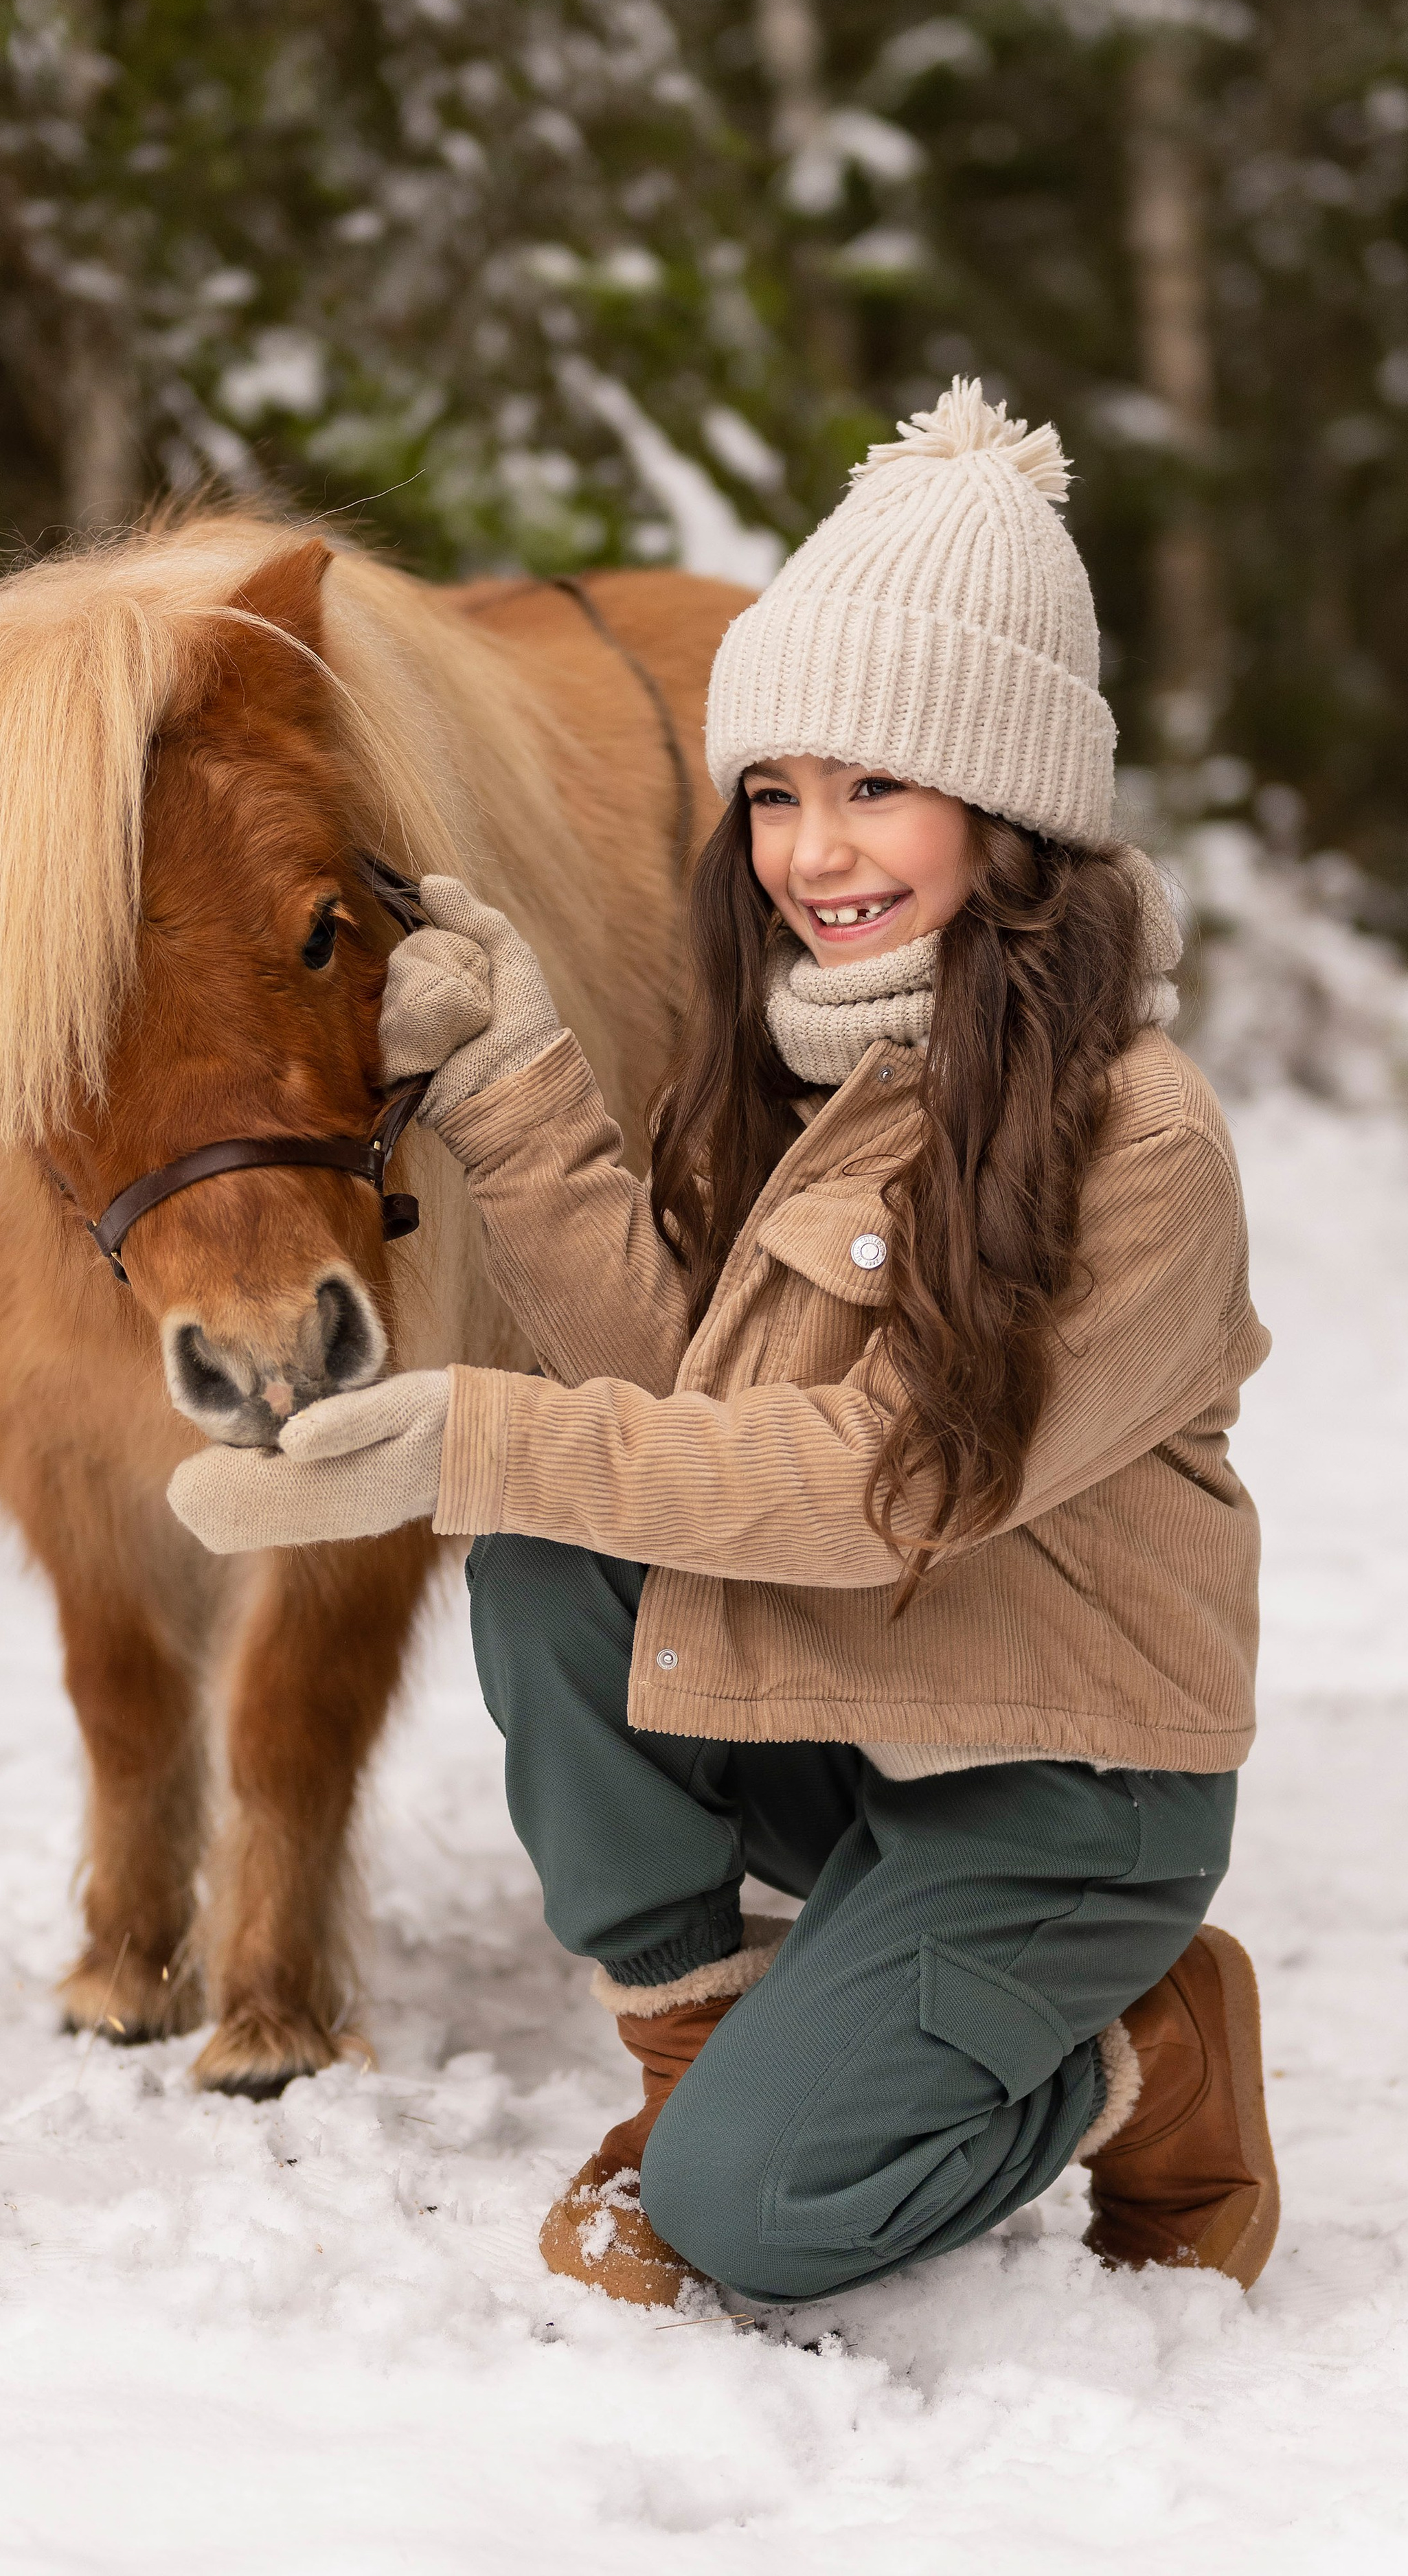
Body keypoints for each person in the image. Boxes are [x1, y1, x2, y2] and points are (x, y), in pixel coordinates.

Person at [168, 380, 1280, 2314]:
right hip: (865, 1710)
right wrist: (509, 1084)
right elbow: (691, 1414)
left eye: (878, 788)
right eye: (777, 790)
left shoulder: (1141, 1138)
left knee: (764, 2223)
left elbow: (874, 1489)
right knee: (548, 1550)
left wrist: (471, 1435)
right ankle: (695, 2059)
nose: (813, 851)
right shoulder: (811, 1060)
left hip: (1062, 1789)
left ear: (1012, 811)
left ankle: (1152, 2050)